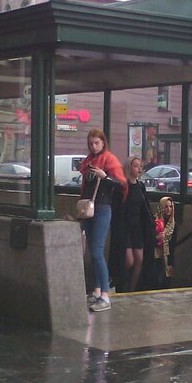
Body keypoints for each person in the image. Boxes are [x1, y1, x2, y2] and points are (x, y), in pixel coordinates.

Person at [78, 128, 126, 313]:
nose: (93, 146)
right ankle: (98, 291)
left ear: (103, 143)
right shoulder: (88, 161)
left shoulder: (109, 159)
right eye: (91, 143)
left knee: (97, 251)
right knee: (93, 251)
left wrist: (104, 176)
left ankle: (105, 293)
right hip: (90, 208)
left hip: (103, 208)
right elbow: (85, 187)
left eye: (96, 143)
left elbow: (120, 184)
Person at [118, 156, 156, 292]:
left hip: (137, 227)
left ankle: (131, 289)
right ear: (129, 168)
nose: (139, 169)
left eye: (140, 166)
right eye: (136, 166)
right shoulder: (123, 186)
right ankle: (118, 283)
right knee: (129, 261)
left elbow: (144, 206)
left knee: (139, 260)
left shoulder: (140, 186)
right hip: (126, 227)